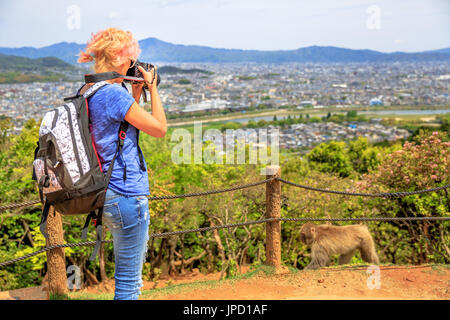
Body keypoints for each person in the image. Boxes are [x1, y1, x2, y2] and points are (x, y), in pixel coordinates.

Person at [77, 27, 167, 300]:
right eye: (130, 60)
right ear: (118, 57)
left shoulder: (89, 89)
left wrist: (135, 93)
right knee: (129, 287)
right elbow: (160, 129)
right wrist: (152, 88)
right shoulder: (114, 95)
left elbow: (118, 130)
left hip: (105, 195)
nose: (132, 66)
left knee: (127, 282)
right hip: (127, 195)